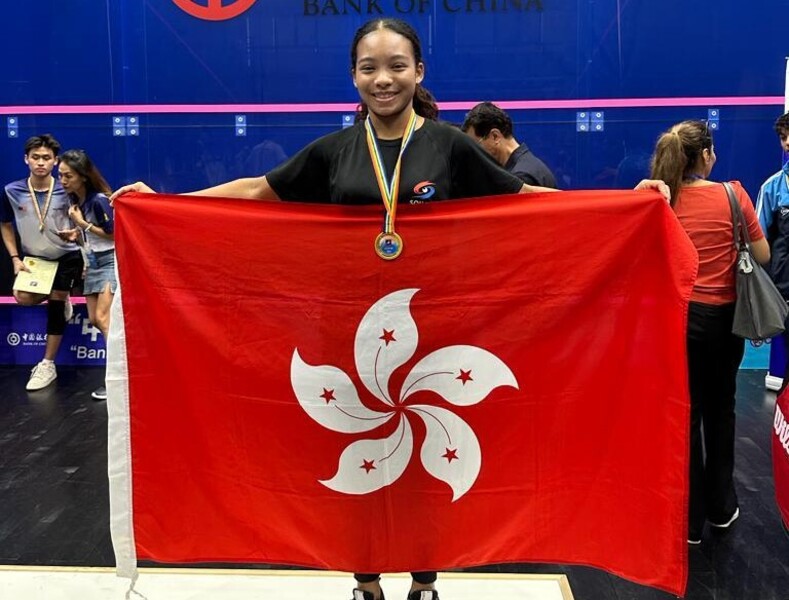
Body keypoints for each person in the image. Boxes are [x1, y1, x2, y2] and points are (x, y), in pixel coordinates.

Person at [112, 18, 670, 600]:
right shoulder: (333, 151)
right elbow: (258, 191)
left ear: (419, 72)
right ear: (353, 76)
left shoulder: (449, 144)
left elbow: (524, 198)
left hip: (435, 328)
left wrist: (624, 204)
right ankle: (366, 577)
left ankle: (426, 576)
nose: (384, 79)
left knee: (426, 462)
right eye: (370, 68)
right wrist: (163, 205)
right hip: (346, 330)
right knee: (360, 455)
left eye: (397, 66)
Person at [650, 119, 770, 545]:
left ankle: (688, 519)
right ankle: (721, 507)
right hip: (727, 323)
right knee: (723, 409)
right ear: (706, 155)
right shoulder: (733, 194)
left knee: (688, 413)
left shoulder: (659, 201)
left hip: (680, 320)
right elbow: (762, 253)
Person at [0, 134, 83, 391]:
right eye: (35, 157)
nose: (40, 163)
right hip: (35, 260)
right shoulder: (11, 191)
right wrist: (15, 258)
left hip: (67, 256)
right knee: (22, 297)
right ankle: (63, 296)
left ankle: (47, 364)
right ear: (26, 159)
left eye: (46, 158)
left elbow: (85, 224)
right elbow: (4, 224)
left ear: (55, 161)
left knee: (56, 302)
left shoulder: (67, 190)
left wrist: (77, 234)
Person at [55, 149, 116, 401]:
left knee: (103, 319)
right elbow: (91, 236)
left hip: (110, 260)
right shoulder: (75, 202)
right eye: (61, 176)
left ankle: (117, 378)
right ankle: (120, 375)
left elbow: (114, 234)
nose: (63, 180)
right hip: (90, 263)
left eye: (68, 176)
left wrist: (82, 225)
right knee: (93, 319)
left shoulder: (99, 200)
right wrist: (76, 235)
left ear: (82, 176)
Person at [755, 112, 789, 389]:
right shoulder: (772, 188)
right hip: (783, 289)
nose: (787, 142)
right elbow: (759, 243)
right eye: (782, 137)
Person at [461, 101, 557, 188]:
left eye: (475, 145)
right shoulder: (528, 166)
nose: (474, 154)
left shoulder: (521, 179)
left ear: (495, 136)